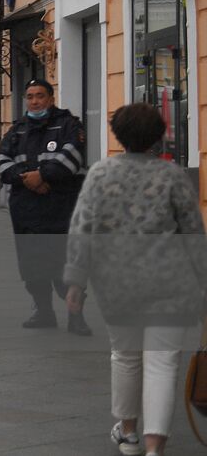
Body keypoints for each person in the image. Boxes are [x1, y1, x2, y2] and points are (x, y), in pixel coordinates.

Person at [64, 102, 207, 456]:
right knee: (163, 363)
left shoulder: (99, 174)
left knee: (125, 357)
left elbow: (82, 229)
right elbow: (193, 234)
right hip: (170, 284)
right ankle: (155, 446)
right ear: (158, 136)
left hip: (117, 284)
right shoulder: (172, 176)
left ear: (118, 135)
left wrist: (76, 281)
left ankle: (128, 434)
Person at [0, 78, 91, 334]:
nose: (35, 100)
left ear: (50, 98)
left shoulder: (69, 125)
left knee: (66, 266)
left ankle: (76, 316)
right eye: (30, 96)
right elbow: (2, 161)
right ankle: (43, 311)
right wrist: (27, 180)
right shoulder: (17, 130)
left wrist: (43, 176)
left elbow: (72, 157)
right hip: (27, 212)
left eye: (40, 95)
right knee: (33, 266)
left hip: (60, 209)